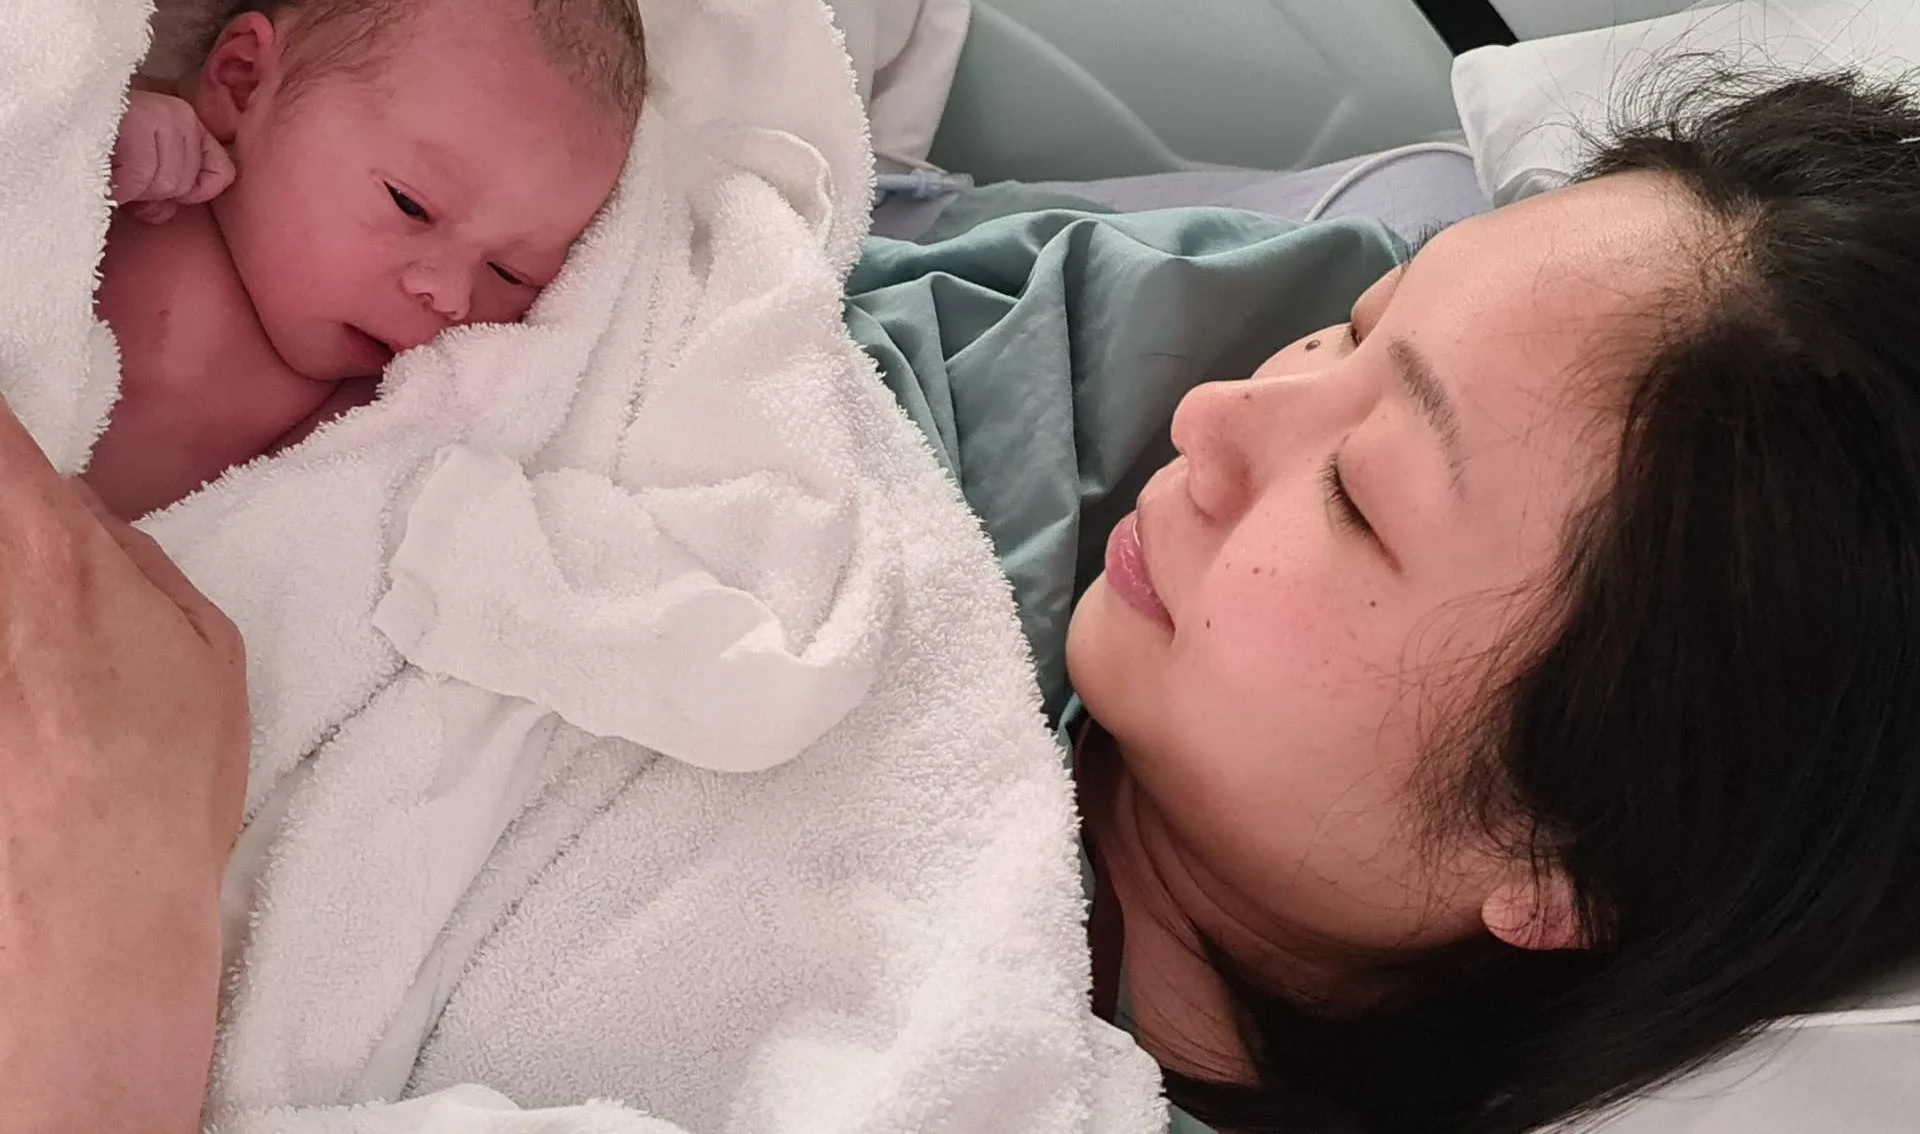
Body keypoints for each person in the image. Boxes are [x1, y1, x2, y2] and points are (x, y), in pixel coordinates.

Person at [7, 68, 1920, 1134]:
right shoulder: (987, 400)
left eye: (1355, 499)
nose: (1225, 412)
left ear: (1562, 853)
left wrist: (109, 984)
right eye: (1351, 327)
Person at [86, 0, 646, 520]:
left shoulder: (352, 403)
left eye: (511, 273)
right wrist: (92, 143)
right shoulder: (121, 131)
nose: (451, 298)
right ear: (243, 81)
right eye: (410, 205)